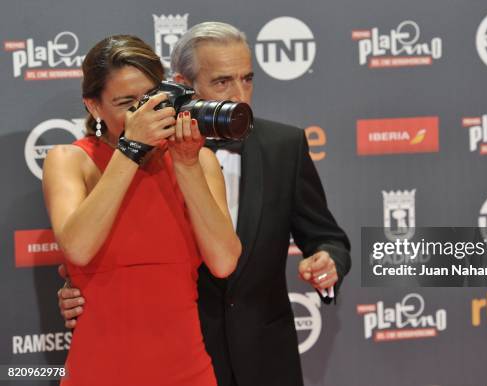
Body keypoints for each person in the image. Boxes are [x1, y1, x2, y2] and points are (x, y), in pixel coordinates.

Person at [58, 23, 351, 386]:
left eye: (247, 78)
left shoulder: (277, 146)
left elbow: (234, 258)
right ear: (183, 84)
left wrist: (327, 259)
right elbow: (83, 248)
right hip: (138, 355)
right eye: (223, 82)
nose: (239, 95)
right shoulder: (72, 160)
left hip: (246, 356)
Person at [45, 34, 241, 385]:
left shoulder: (198, 160)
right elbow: (77, 246)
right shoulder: (70, 161)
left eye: (150, 99)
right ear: (94, 107)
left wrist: (186, 164)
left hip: (188, 373)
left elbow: (224, 261)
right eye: (125, 102)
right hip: (100, 373)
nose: (142, 114)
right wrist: (131, 148)